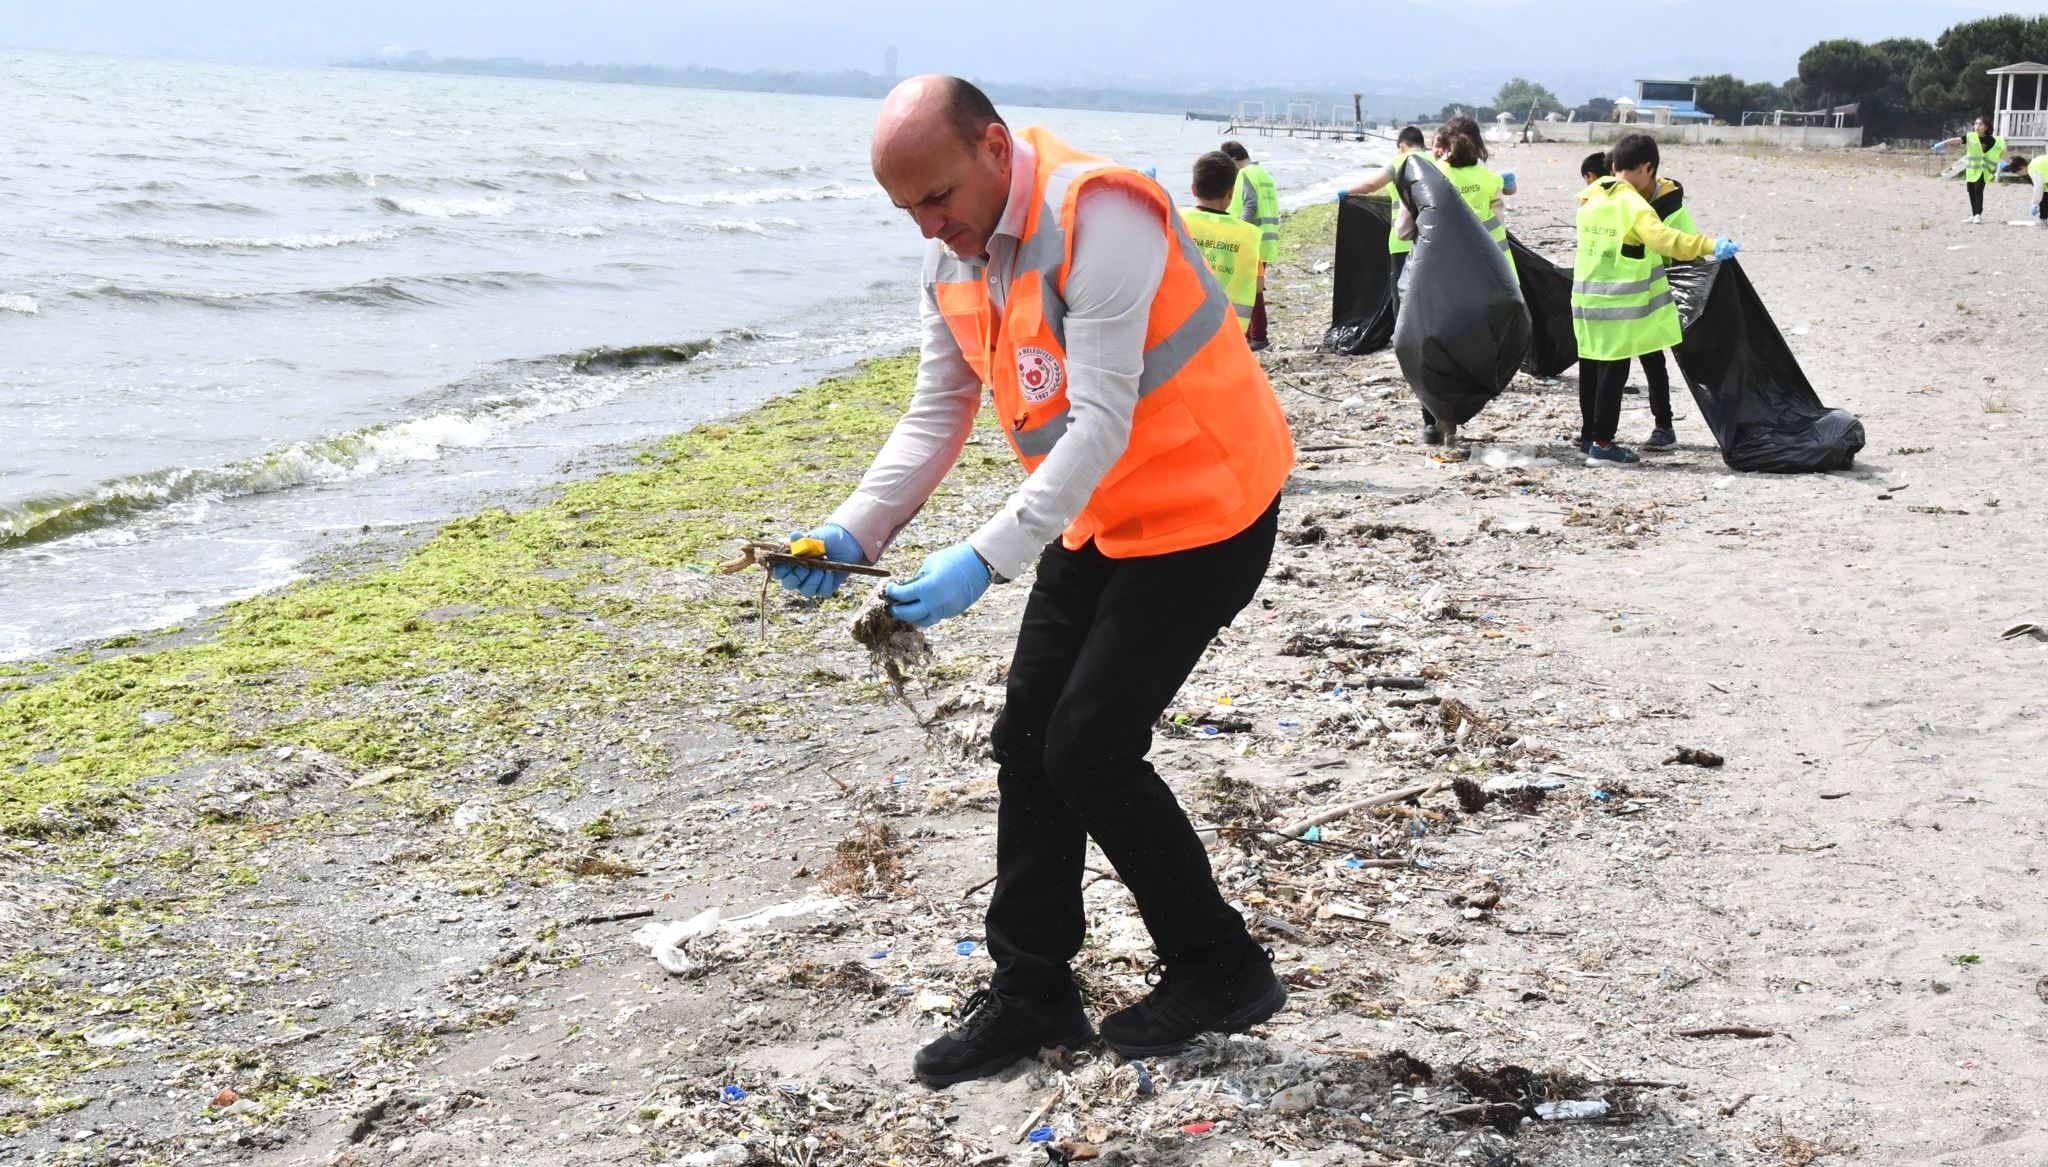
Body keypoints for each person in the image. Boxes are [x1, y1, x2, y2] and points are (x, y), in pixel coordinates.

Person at [774, 76, 1295, 1086]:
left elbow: (1097, 418)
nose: (930, 225)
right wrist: (849, 531)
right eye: (907, 211)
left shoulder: (1096, 216)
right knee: (1026, 742)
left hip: (1207, 507)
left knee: (1088, 748)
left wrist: (983, 557)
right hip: (1100, 517)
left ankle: (1221, 966)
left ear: (994, 149)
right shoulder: (953, 256)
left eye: (937, 197)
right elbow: (938, 410)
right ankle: (1032, 991)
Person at [1572, 133, 1738, 466]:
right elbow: (1665, 240)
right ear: (1648, 168)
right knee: (1613, 373)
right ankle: (1603, 446)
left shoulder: (1590, 197)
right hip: (1620, 306)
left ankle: (1590, 437)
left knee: (1590, 368)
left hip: (1586, 300)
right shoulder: (1634, 205)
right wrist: (1709, 246)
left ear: (1613, 165)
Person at [1578, 151, 1691, 452]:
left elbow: (1684, 250)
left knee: (1653, 360)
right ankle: (1591, 434)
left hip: (1651, 299)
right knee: (1597, 363)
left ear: (1647, 169)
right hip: (1618, 299)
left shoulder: (1667, 206)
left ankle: (1663, 426)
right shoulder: (1610, 201)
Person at [1182, 151, 1263, 332]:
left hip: (1179, 329)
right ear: (1231, 193)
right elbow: (1258, 286)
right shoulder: (1248, 234)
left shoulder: (1176, 222)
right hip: (1227, 332)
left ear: (1193, 189)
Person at [1220, 140, 1280, 350]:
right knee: (1253, 287)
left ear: (1234, 160)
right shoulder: (1263, 174)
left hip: (1251, 239)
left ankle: (1258, 337)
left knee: (1250, 289)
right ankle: (1249, 335)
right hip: (1266, 238)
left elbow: (1250, 205)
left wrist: (1239, 233)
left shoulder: (1244, 174)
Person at [1934, 117, 2007, 224]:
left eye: (1980, 124)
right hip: (1972, 169)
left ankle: (1978, 215)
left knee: (1978, 190)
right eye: (1976, 124)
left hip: (1984, 170)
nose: (1977, 126)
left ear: (1986, 127)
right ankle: (1974, 215)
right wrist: (1943, 143)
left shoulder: (1993, 140)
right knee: (1971, 190)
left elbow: (2000, 150)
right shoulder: (1970, 137)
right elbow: (1957, 140)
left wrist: (2002, 161)